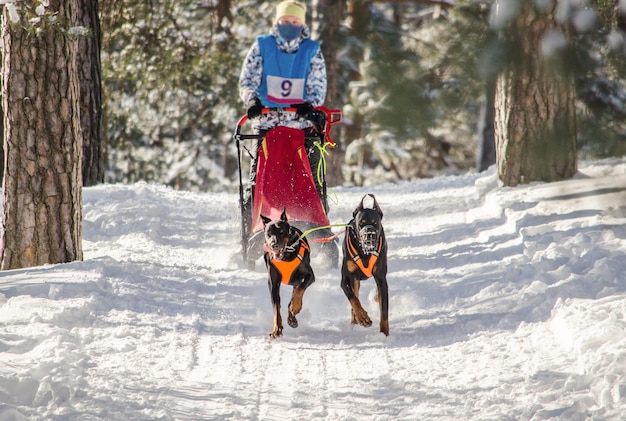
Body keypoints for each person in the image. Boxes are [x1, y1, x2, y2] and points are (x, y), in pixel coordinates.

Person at [238, 0, 329, 235]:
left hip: (302, 129)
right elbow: (248, 79)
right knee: (257, 185)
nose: (290, 25)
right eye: (285, 21)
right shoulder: (262, 46)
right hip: (267, 128)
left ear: (302, 24)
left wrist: (310, 105)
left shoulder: (311, 50)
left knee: (311, 184)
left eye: (295, 22)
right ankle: (251, 236)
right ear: (276, 22)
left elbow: (317, 84)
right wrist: (252, 101)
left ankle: (318, 232)